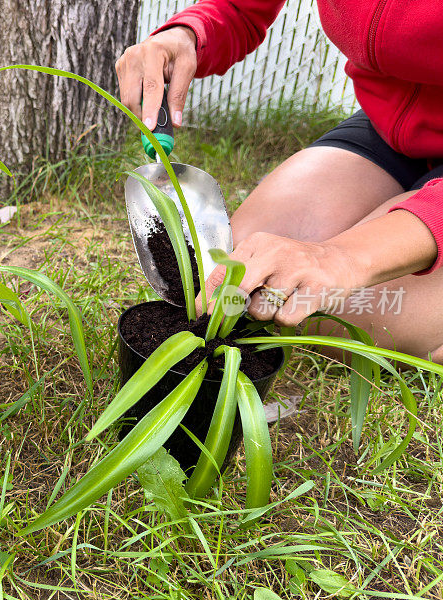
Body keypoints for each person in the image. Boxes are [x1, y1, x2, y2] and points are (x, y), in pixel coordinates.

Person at [115, 0, 443, 363]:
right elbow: (239, 8)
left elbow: (340, 266)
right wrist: (189, 33)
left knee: (333, 314)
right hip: (389, 124)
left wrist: (341, 258)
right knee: (242, 277)